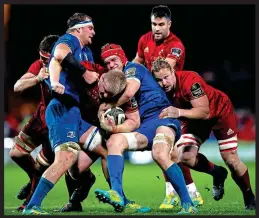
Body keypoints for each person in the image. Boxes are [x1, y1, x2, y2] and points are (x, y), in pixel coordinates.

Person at [94, 45, 198, 214]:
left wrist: (105, 106)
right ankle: (117, 194)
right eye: (107, 63)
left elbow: (129, 93)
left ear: (122, 58)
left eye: (114, 60)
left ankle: (188, 204)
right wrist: (114, 128)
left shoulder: (133, 69)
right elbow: (133, 122)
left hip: (163, 117)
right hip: (144, 127)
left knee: (159, 153)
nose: (111, 65)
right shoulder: (115, 88)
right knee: (114, 141)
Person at [151, 57, 256, 210]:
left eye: (166, 77)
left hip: (219, 112)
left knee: (231, 159)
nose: (164, 83)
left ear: (173, 72)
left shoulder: (190, 81)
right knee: (185, 156)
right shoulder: (159, 90)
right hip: (193, 119)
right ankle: (217, 173)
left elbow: (204, 112)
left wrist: (178, 112)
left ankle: (249, 195)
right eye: (159, 80)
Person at [22, 12, 99, 215]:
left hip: (75, 112)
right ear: (79, 29)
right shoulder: (69, 40)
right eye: (90, 28)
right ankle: (32, 207)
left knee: (110, 145)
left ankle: (119, 196)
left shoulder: (86, 52)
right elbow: (59, 55)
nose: (94, 32)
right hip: (62, 108)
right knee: (65, 158)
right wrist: (63, 80)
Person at [132, 5, 203, 209]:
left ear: (169, 24)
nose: (157, 28)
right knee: (166, 149)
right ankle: (189, 191)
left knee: (164, 149)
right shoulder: (144, 40)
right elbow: (136, 62)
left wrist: (141, 83)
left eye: (161, 24)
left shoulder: (176, 46)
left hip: (172, 102)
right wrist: (126, 75)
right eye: (154, 23)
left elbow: (164, 70)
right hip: (154, 102)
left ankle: (178, 193)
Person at [10, 35, 59, 211]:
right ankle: (33, 178)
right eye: (41, 57)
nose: (41, 62)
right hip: (40, 118)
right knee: (16, 154)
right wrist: (37, 79)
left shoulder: (70, 68)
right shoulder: (40, 66)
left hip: (59, 123)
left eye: (46, 59)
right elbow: (17, 86)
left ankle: (31, 202)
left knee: (62, 168)